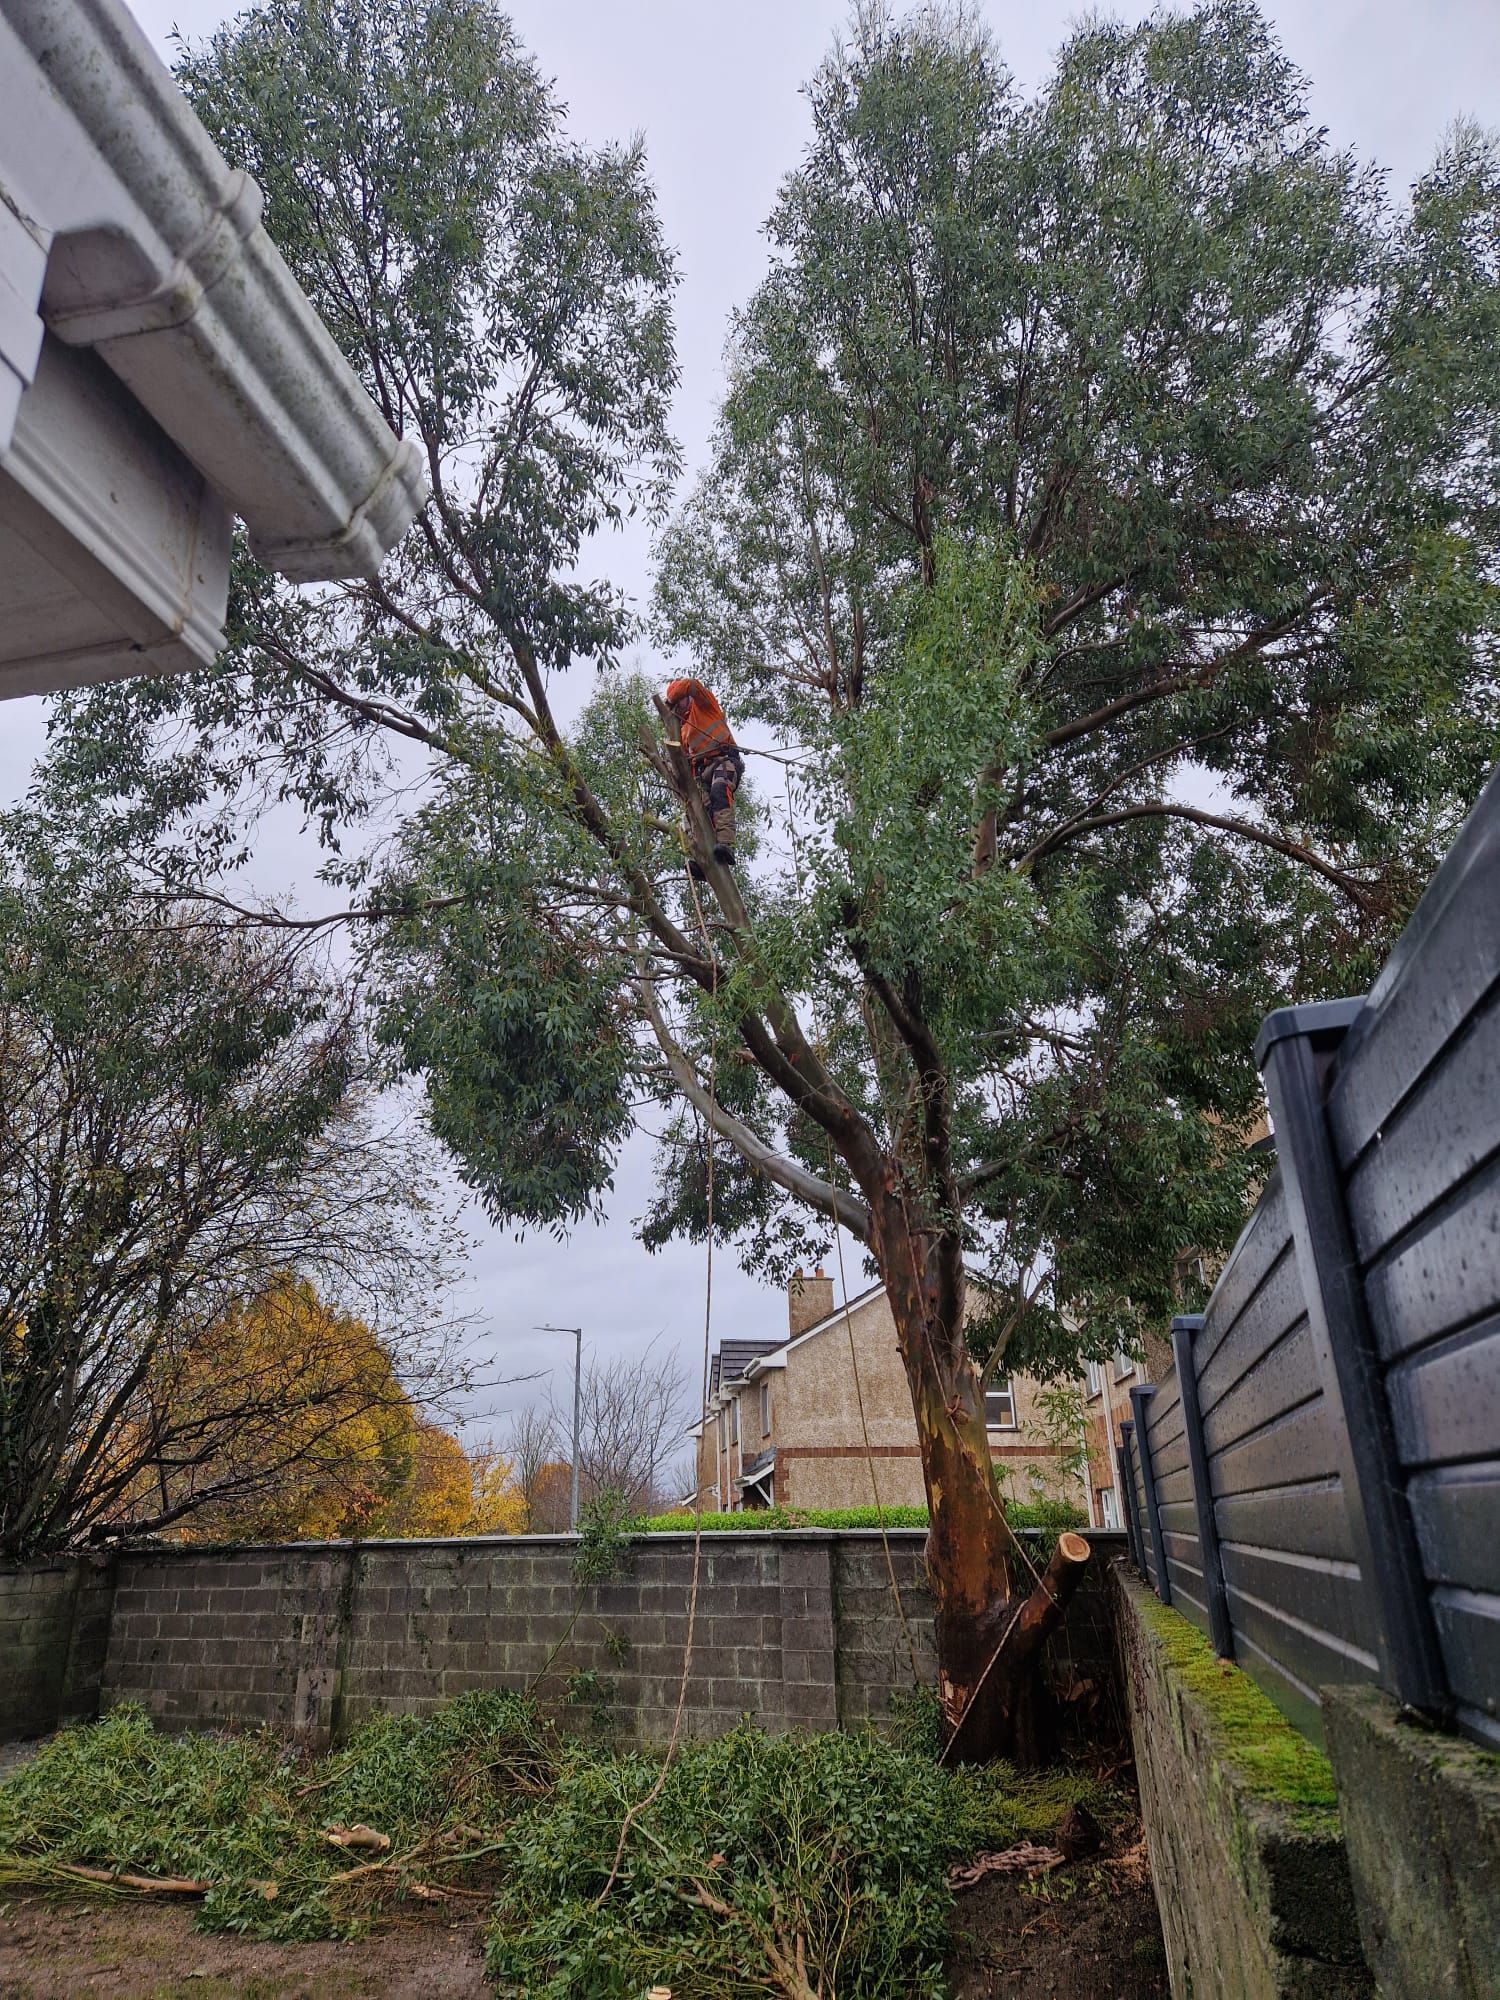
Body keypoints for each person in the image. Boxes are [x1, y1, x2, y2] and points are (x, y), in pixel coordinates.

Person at [664, 677, 742, 872]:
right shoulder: (681, 731)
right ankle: (704, 862)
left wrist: (670, 699)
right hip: (701, 772)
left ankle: (725, 844)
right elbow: (681, 762)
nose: (678, 705)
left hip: (724, 760)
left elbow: (691, 684)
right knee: (699, 813)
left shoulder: (704, 705)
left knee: (719, 789)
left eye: (679, 699)